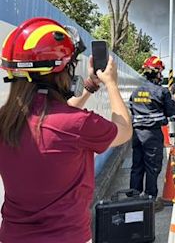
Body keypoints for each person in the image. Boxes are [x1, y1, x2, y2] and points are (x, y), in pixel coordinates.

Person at [0, 17, 132, 243]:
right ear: (61, 71)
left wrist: (90, 86)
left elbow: (52, 121)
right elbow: (124, 129)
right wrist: (111, 83)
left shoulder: (6, 121)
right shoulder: (78, 125)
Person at [129, 56, 175, 211]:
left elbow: (131, 109)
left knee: (137, 166)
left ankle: (134, 198)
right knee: (152, 167)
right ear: (157, 73)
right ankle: (150, 199)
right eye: (161, 72)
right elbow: (171, 111)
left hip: (136, 133)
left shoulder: (135, 92)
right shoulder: (161, 91)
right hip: (152, 134)